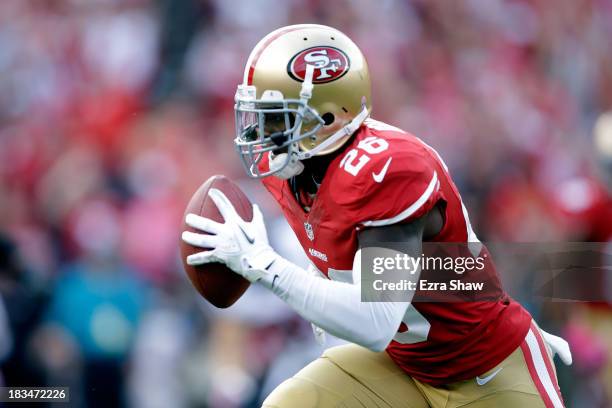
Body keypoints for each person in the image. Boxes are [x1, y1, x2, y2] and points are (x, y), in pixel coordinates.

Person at [182, 24, 572, 407]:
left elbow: (376, 318)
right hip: (402, 366)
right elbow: (442, 270)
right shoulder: (295, 174)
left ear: (328, 118)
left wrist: (265, 267)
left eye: (276, 117)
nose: (260, 135)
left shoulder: (385, 171)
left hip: (484, 372)